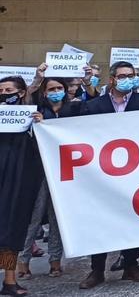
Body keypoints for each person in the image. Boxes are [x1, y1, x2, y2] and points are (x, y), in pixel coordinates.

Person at [77, 61, 139, 288]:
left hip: (135, 169)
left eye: (131, 75)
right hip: (102, 172)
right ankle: (97, 270)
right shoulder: (94, 105)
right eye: (123, 76)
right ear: (112, 79)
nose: (127, 79)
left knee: (133, 217)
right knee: (100, 219)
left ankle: (131, 264)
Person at [16, 75, 81, 280]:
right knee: (32, 218)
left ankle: (55, 261)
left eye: (59, 88)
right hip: (38, 172)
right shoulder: (35, 111)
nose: (55, 92)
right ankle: (20, 263)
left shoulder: (74, 110)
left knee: (57, 218)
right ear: (43, 92)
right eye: (50, 89)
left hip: (64, 171)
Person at [1, 75, 44, 297]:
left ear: (19, 93)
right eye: (1, 90)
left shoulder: (30, 116)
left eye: (9, 90)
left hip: (18, 182)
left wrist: (39, 125)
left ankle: (10, 281)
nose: (4, 94)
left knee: (12, 232)